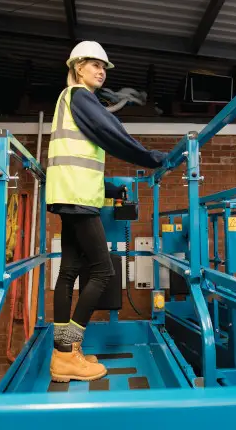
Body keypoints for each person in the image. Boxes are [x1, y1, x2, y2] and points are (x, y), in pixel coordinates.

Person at [46, 41, 167, 383]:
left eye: (104, 67)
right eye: (95, 65)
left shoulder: (68, 100)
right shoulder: (81, 97)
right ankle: (68, 352)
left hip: (68, 193)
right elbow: (112, 134)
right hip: (77, 198)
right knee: (103, 272)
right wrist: (152, 157)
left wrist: (112, 191)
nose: (101, 71)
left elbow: (82, 159)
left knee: (68, 272)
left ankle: (62, 355)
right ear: (78, 66)